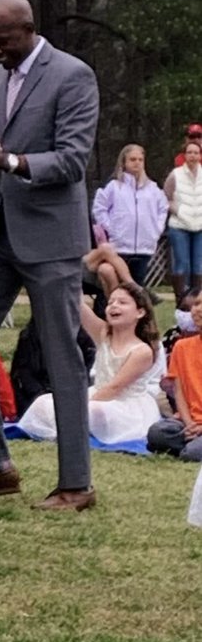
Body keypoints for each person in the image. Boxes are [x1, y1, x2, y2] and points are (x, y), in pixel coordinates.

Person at [0, 0, 100, 511]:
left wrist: (9, 161)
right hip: (1, 232)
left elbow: (73, 161)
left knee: (60, 354)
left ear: (28, 29)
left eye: (2, 42)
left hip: (51, 237)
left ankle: (76, 483)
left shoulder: (73, 76)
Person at [18, 282, 160, 445]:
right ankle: (65, 427)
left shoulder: (141, 351)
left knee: (94, 411)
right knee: (42, 402)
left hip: (123, 404)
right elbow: (79, 307)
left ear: (140, 312)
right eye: (111, 302)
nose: (114, 306)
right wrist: (70, 276)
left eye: (122, 302)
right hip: (96, 393)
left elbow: (115, 388)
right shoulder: (104, 334)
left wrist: (80, 407)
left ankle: (68, 426)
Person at [91, 144, 166, 290]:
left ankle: (138, 311)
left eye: (140, 159)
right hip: (120, 246)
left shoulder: (153, 189)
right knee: (116, 284)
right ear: (124, 162)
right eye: (132, 159)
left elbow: (163, 209)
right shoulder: (114, 186)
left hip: (144, 247)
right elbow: (99, 208)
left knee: (138, 286)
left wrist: (156, 230)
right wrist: (111, 228)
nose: (137, 162)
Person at [148, 290, 202, 460]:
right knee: (157, 433)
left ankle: (192, 446)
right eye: (196, 304)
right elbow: (179, 393)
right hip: (188, 421)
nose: (197, 309)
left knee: (192, 453)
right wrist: (189, 424)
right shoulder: (181, 347)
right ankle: (193, 442)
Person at [163, 140, 202, 303]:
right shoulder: (175, 174)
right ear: (184, 155)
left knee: (199, 265)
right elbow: (165, 198)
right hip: (179, 225)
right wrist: (179, 211)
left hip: (200, 225)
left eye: (196, 153)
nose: (193, 156)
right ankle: (182, 302)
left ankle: (198, 302)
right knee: (182, 264)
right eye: (189, 152)